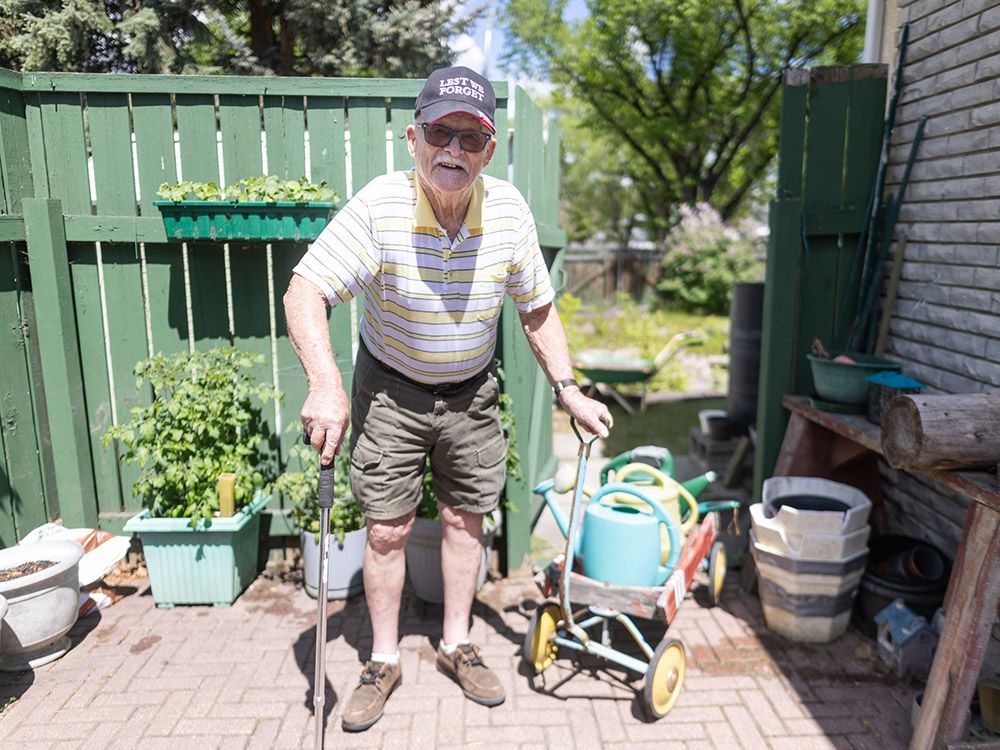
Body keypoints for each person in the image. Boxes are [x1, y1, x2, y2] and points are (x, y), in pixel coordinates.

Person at [283, 65, 612, 732]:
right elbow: (304, 290)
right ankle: (382, 658)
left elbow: (538, 311)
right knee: (388, 529)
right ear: (413, 138)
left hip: (472, 393)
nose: (453, 150)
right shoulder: (380, 207)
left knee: (467, 521)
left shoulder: (511, 214)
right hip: (391, 392)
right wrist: (325, 383)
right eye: (440, 133)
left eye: (470, 137)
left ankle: (457, 643)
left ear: (488, 150)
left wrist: (569, 390)